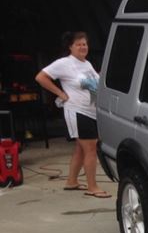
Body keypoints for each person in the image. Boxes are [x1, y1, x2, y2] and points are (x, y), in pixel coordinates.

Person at [35, 31, 109, 197]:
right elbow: (41, 77)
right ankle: (93, 187)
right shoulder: (64, 63)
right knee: (90, 149)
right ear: (70, 47)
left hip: (91, 111)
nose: (83, 47)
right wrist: (60, 94)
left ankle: (72, 181)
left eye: (85, 44)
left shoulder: (87, 64)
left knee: (80, 148)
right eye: (79, 44)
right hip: (78, 111)